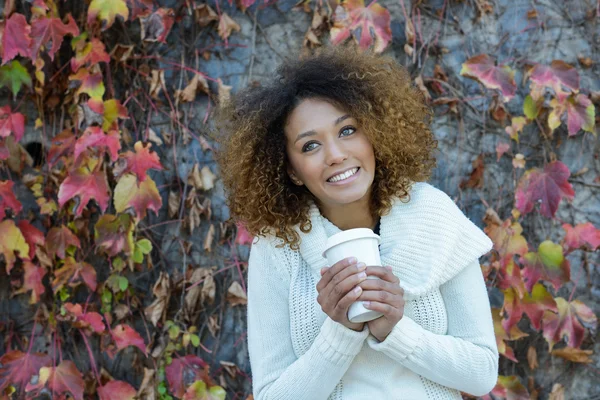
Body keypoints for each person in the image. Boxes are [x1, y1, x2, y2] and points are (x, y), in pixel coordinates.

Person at [211, 44, 499, 400]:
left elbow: (482, 373)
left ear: (373, 133)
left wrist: (394, 331)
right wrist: (342, 332)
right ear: (291, 170)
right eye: (310, 146)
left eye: (347, 130)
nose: (335, 155)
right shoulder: (277, 246)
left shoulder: (433, 215)